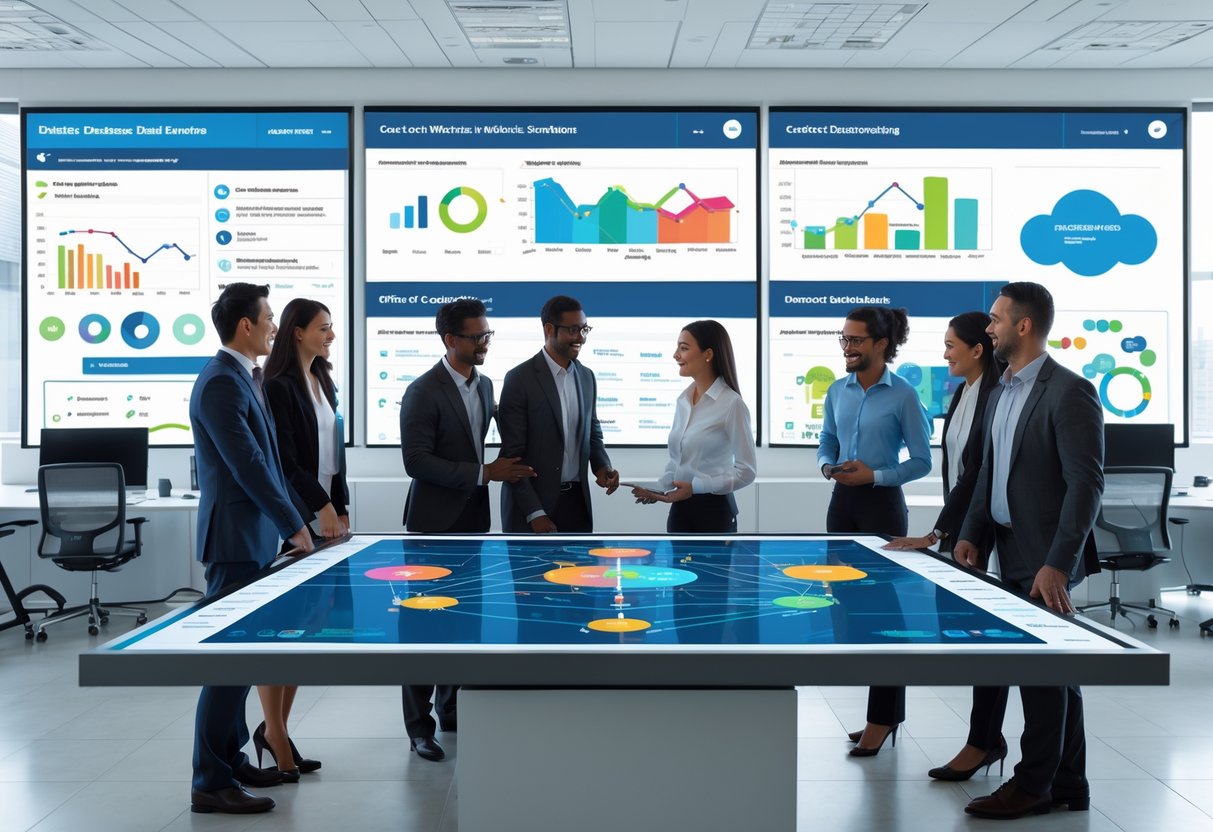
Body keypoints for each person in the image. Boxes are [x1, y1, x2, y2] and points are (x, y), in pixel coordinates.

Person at [955, 282, 1103, 820]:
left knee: (1040, 673)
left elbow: (1085, 485)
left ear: (1023, 326)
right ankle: (1069, 782)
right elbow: (990, 471)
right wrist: (973, 531)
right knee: (1058, 671)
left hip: (1046, 557)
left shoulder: (1069, 391)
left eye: (996, 319)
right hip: (1008, 547)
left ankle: (1033, 784)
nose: (988, 327)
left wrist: (1058, 564)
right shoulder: (1001, 389)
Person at [188, 283, 314, 815]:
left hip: (253, 535)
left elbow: (269, 459)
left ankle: (230, 759)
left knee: (242, 657)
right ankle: (210, 780)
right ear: (247, 325)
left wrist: (292, 520)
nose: (273, 327)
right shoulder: (222, 381)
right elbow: (248, 466)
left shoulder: (244, 376)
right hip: (236, 538)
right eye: (268, 318)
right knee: (228, 661)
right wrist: (294, 525)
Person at [398, 298, 534, 762]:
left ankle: (451, 708)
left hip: (474, 521)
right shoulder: (423, 391)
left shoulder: (487, 384)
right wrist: (484, 473)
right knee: (421, 625)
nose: (484, 344)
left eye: (487, 335)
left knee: (464, 620)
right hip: (433, 525)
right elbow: (414, 461)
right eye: (477, 337)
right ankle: (419, 727)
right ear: (450, 339)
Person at [884, 311, 1009, 780]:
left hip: (986, 533)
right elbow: (956, 471)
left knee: (989, 640)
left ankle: (984, 741)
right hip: (964, 528)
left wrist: (937, 533)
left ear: (978, 349)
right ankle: (984, 738)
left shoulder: (997, 394)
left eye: (952, 345)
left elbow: (979, 472)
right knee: (973, 638)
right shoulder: (962, 392)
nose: (944, 353)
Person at [816, 306, 931, 757]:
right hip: (841, 505)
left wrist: (876, 477)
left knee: (885, 618)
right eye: (843, 339)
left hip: (882, 508)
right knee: (848, 609)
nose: (847, 348)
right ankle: (879, 716)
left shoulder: (903, 395)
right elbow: (827, 438)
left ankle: (881, 719)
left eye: (856, 340)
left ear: (881, 345)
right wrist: (827, 465)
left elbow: (921, 461)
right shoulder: (836, 389)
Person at [258, 298, 349, 780]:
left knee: (306, 631)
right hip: (296, 517)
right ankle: (273, 733)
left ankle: (277, 730)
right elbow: (287, 462)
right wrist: (321, 506)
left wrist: (343, 501)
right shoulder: (278, 387)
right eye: (324, 327)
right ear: (297, 331)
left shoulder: (323, 380)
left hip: (327, 514)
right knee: (281, 633)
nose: (331, 335)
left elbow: (336, 452)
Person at [498, 295, 619, 533]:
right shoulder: (519, 379)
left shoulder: (587, 377)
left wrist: (602, 466)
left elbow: (592, 433)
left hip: (577, 505)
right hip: (532, 509)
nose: (581, 337)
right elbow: (513, 459)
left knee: (582, 571)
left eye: (584, 329)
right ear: (549, 329)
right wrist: (535, 512)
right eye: (573, 330)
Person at [632, 320, 756, 533]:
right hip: (680, 511)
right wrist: (659, 489)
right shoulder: (684, 400)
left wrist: (697, 487)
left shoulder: (732, 404)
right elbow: (677, 460)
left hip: (714, 513)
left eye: (684, 348)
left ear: (708, 354)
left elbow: (747, 471)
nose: (675, 355)